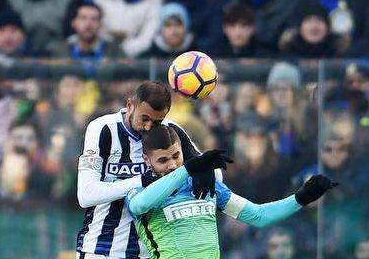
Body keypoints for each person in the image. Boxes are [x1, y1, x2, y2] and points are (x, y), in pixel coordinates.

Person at [125, 124, 336, 259]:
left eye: (176, 156)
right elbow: (138, 205)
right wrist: (189, 168)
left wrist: (301, 198)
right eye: (162, 160)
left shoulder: (205, 185)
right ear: (146, 160)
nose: (171, 165)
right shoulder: (140, 189)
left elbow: (258, 216)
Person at [76, 81, 216, 258]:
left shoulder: (170, 130)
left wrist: (206, 169)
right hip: (101, 249)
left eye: (157, 121)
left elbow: (212, 172)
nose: (149, 126)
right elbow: (86, 195)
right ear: (130, 106)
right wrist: (141, 180)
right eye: (145, 118)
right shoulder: (103, 129)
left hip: (151, 252)